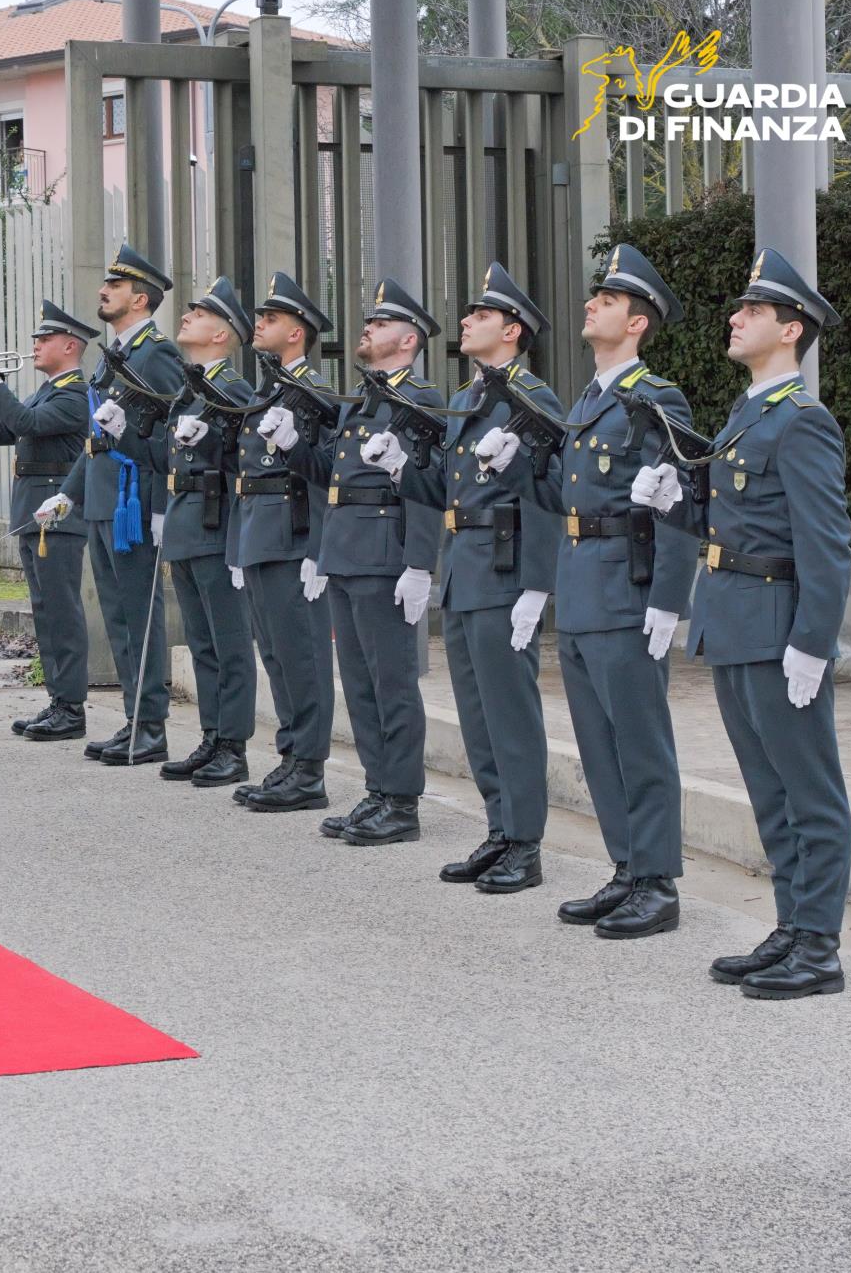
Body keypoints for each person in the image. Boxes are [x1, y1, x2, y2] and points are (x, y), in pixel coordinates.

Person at [632, 247, 851, 998]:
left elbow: (827, 546)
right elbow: (729, 522)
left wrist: (812, 643)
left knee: (809, 792)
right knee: (770, 791)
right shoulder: (745, 414)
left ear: (790, 331)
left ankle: (818, 946)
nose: (735, 318)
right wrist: (674, 502)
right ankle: (791, 926)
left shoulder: (803, 423)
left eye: (753, 310)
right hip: (732, 623)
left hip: (777, 628)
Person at [480, 244, 695, 938]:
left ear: (637, 323)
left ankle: (657, 882)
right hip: (581, 589)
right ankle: (627, 869)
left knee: (640, 741)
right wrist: (518, 467)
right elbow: (563, 501)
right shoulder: (588, 401)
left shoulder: (655, 398)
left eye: (607, 301)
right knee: (599, 745)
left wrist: (669, 599)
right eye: (595, 297)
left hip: (625, 589)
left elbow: (680, 498)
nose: (590, 305)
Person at [363, 263, 562, 891]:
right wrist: (400, 468)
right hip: (466, 569)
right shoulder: (468, 400)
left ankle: (525, 844)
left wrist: (538, 585)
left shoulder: (530, 397)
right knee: (478, 717)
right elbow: (448, 492)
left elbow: (548, 495)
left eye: (482, 314)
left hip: (505, 570)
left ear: (512, 330)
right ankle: (499, 830)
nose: (468, 321)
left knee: (511, 716)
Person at [274, 278, 445, 845]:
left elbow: (426, 487)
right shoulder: (364, 398)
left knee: (391, 683)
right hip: (347, 551)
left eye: (380, 323)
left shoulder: (417, 399)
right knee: (360, 684)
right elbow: (331, 475)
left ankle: (402, 801)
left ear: (409, 339)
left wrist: (419, 564)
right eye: (369, 321)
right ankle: (378, 790)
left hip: (384, 553)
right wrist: (293, 447)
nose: (367, 329)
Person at [37, 245, 185, 765]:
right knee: (119, 617)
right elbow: (97, 438)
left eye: (115, 286)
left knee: (139, 614)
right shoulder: (114, 355)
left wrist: (162, 505)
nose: (103, 291)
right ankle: (133, 718)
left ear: (139, 299)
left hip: (133, 501)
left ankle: (151, 726)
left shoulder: (156, 354)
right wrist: (68, 492)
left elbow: (173, 432)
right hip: (103, 498)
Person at [0, 301, 96, 741]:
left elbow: (26, 421)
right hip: (33, 514)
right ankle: (59, 700)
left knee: (62, 612)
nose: (36, 344)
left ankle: (71, 707)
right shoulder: (47, 392)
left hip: (58, 516)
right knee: (45, 612)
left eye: (45, 338)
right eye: (37, 338)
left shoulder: (75, 395)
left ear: (70, 345)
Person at [232, 272, 336, 813]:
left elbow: (326, 476)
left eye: (270, 319)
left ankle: (309, 771)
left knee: (303, 657)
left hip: (294, 538)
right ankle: (291, 757)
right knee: (275, 655)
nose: (259, 325)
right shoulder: (267, 390)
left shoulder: (312, 394)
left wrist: (318, 549)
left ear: (297, 333)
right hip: (259, 535)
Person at [152, 278, 259, 787]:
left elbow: (247, 464)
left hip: (218, 527)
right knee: (202, 643)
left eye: (199, 314)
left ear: (221, 335)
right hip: (187, 525)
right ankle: (212, 736)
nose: (187, 316)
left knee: (229, 642)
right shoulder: (190, 390)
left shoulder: (231, 390)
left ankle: (233, 747)